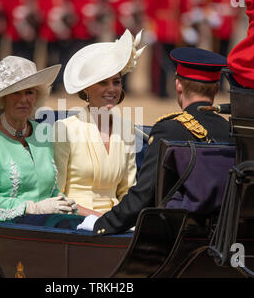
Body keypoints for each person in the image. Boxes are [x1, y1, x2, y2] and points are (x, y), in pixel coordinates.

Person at [78, 46, 234, 235]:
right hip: (225, 233)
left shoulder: (170, 129)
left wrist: (103, 225)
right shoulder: (231, 131)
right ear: (216, 89)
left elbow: (145, 194)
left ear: (178, 85)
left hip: (180, 235)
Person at [0, 56, 77, 222]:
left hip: (48, 226)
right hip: (7, 230)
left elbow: (51, 191)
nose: (23, 99)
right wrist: (32, 208)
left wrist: (63, 202)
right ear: (2, 98)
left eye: (29, 92)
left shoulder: (44, 132)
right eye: (15, 93)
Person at [54, 29, 147, 217]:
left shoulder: (126, 129)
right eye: (103, 83)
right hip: (72, 222)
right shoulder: (65, 129)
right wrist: (98, 219)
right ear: (86, 88)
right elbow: (56, 194)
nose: (111, 89)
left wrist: (121, 221)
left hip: (115, 223)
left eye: (116, 82)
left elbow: (128, 191)